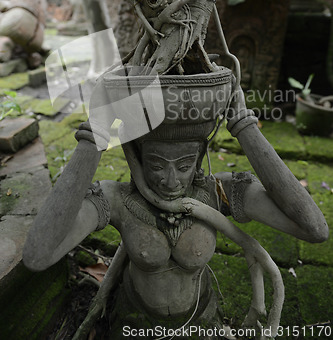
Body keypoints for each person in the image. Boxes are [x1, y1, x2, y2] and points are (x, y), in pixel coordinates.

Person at [23, 84, 328, 339]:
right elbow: (39, 255)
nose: (170, 181)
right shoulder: (117, 198)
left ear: (198, 161)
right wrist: (94, 136)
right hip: (133, 321)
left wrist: (244, 125)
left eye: (183, 167)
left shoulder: (215, 193)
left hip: (202, 318)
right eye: (156, 166)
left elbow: (314, 228)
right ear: (139, 160)